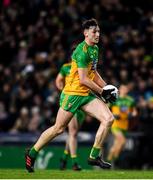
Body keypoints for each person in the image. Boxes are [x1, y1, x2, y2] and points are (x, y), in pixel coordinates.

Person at [25, 18, 118, 173]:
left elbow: (93, 74)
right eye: (94, 31)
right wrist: (102, 92)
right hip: (72, 95)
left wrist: (107, 87)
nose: (97, 34)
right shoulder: (81, 52)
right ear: (85, 33)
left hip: (86, 94)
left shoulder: (95, 49)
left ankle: (94, 156)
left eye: (99, 31)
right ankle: (32, 153)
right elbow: (83, 79)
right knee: (58, 129)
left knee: (108, 119)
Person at [55, 62, 85, 170]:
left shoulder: (85, 67)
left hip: (82, 102)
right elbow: (58, 80)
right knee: (72, 133)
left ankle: (64, 157)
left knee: (73, 134)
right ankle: (74, 162)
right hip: (71, 101)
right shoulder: (66, 67)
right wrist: (64, 90)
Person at [107, 84, 137, 166]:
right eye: (122, 88)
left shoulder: (130, 100)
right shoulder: (114, 99)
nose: (124, 90)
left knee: (118, 144)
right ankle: (115, 159)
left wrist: (132, 114)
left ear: (127, 90)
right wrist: (113, 114)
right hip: (115, 124)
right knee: (122, 140)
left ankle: (109, 160)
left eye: (125, 88)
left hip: (124, 125)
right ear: (119, 90)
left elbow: (135, 112)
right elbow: (106, 108)